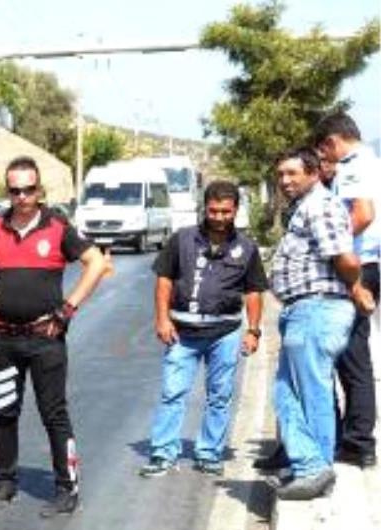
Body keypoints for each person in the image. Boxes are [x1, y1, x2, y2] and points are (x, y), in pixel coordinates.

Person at [0, 156, 108, 517]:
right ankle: (5, 481)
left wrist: (69, 308)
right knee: (5, 411)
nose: (22, 196)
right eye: (15, 190)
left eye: (29, 189)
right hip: (3, 340)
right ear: (7, 191)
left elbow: (96, 263)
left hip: (46, 338)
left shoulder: (58, 227)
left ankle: (66, 487)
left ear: (39, 190)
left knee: (53, 414)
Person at [141, 181, 267, 477]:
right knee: (172, 393)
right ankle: (162, 453)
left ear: (235, 210)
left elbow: (253, 292)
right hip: (182, 334)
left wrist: (254, 331)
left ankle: (209, 452)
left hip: (225, 333)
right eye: (214, 210)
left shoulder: (247, 249)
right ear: (205, 208)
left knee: (220, 396)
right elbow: (164, 280)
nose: (220, 217)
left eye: (226, 211)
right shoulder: (182, 240)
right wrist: (162, 319)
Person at [268, 147, 373, 500]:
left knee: (310, 391)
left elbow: (345, 258)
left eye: (292, 173)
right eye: (280, 174)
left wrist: (356, 287)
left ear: (313, 173)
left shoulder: (320, 206)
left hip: (317, 309)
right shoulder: (306, 208)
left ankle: (315, 470)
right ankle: (309, 465)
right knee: (287, 392)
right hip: (303, 310)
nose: (285, 181)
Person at [316, 112, 381, 469]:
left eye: (326, 152)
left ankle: (358, 442)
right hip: (372, 262)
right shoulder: (375, 162)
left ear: (332, 142)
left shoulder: (354, 166)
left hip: (360, 264)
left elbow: (364, 213)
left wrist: (331, 246)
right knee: (354, 354)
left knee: (351, 357)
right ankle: (356, 439)